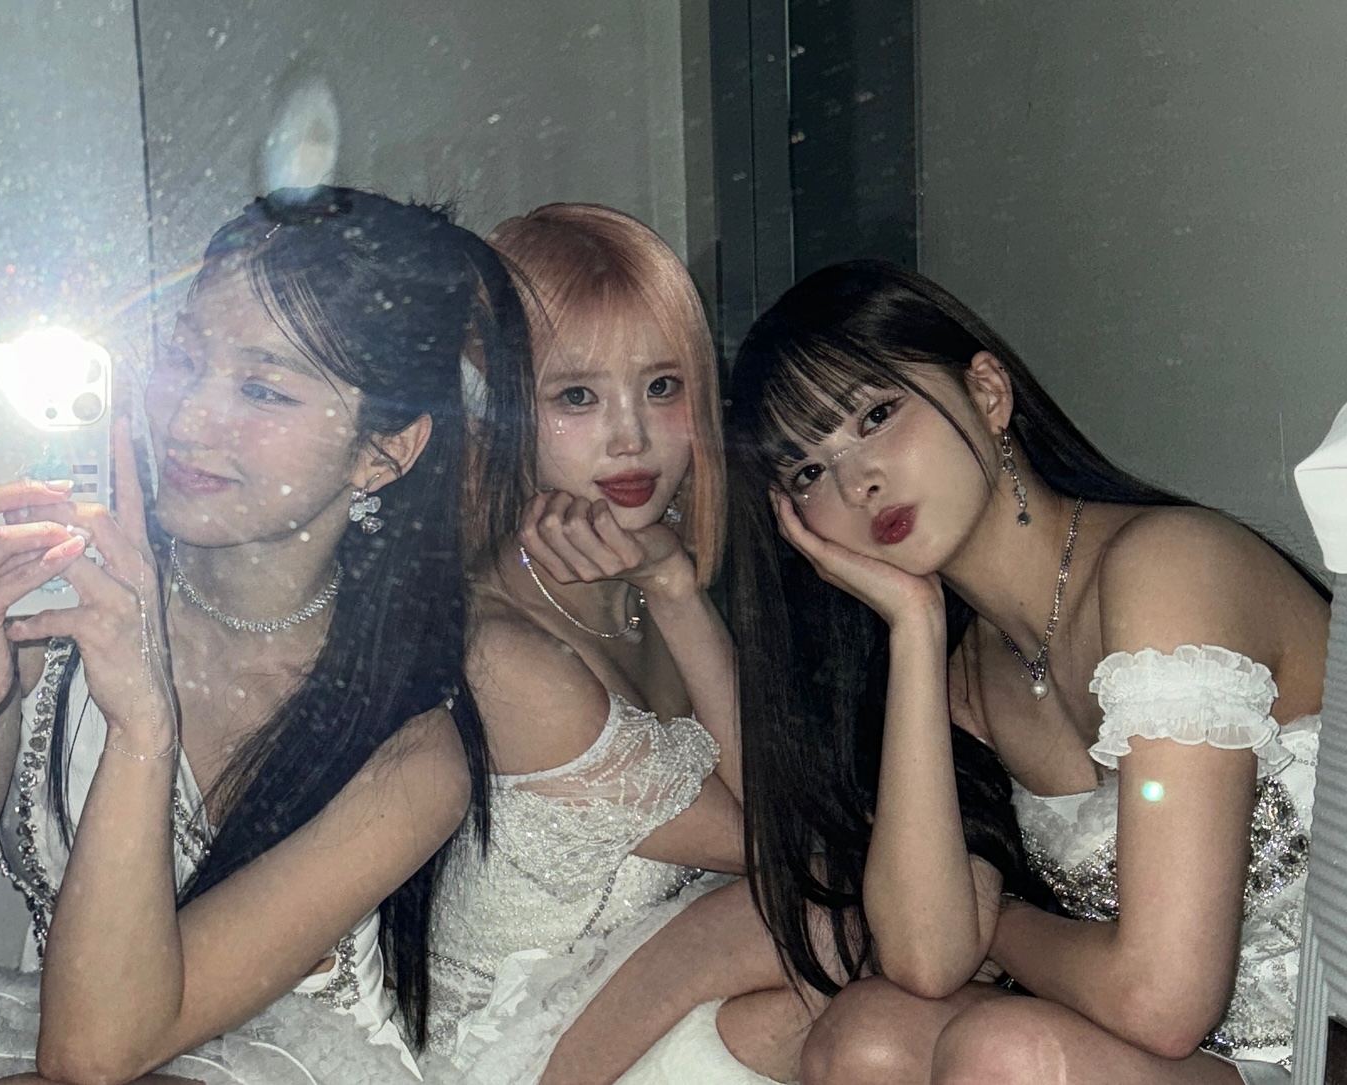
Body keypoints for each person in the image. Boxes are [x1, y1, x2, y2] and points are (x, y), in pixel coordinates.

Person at [0, 186, 532, 1084]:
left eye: (262, 388)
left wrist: (142, 725)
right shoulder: (57, 609)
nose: (189, 417)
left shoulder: (414, 748)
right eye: (182, 357)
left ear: (383, 452)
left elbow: (95, 1051)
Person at [724, 259, 1329, 1085]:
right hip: (1203, 1063)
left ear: (987, 392)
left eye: (875, 415)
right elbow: (928, 959)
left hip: (1324, 1042)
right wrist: (913, 629)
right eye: (806, 472)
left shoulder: (1167, 568)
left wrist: (999, 921)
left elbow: (1161, 999)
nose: (856, 480)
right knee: (865, 1033)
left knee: (1005, 1053)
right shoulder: (966, 674)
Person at [417, 202, 803, 1085]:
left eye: (662, 387)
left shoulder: (650, 584)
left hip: (637, 1016)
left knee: (859, 1014)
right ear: (500, 413)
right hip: (506, 1055)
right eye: (577, 396)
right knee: (834, 942)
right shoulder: (502, 649)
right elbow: (787, 853)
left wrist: (675, 591)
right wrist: (678, 595)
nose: (630, 436)